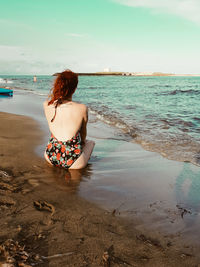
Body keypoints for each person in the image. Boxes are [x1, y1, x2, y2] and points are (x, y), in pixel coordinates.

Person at [43, 69, 95, 169]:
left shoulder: (46, 105)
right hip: (73, 162)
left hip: (50, 155)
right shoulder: (82, 108)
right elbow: (83, 135)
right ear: (74, 89)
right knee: (91, 143)